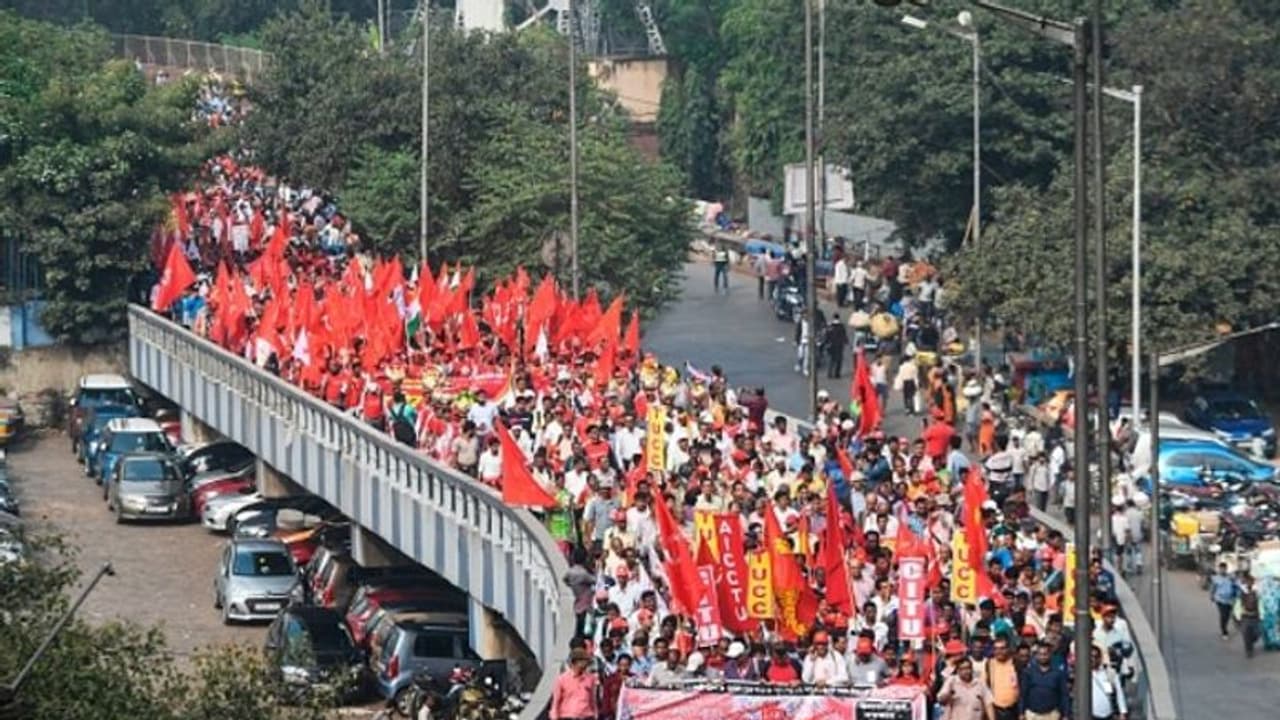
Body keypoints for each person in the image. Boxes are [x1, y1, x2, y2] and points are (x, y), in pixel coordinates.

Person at [1019, 642, 1069, 720]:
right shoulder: (1028, 672)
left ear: (1050, 655)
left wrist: (1066, 715)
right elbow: (1023, 694)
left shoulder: (1058, 673)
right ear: (1036, 656)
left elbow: (1064, 695)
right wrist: (1021, 713)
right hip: (1032, 715)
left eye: (1045, 654)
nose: (1043, 657)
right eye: (1040, 654)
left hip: (1052, 715)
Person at [550, 648, 599, 720]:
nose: (586, 663)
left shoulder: (591, 678)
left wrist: (595, 714)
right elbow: (556, 701)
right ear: (574, 662)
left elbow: (592, 699)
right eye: (583, 660)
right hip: (567, 716)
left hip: (587, 716)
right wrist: (554, 717)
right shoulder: (562, 679)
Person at [1087, 644, 1127, 720]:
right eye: (1091, 656)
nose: (1093, 659)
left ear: (1100, 658)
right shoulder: (1084, 674)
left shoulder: (1109, 672)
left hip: (1108, 714)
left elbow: (1119, 692)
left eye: (1096, 657)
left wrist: (1123, 712)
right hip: (1092, 715)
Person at [1208, 562, 1239, 639]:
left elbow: (1236, 585)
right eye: (1221, 569)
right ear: (1219, 569)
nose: (1222, 570)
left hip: (1229, 600)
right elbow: (1213, 588)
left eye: (1224, 569)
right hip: (1220, 600)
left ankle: (1225, 626)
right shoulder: (1215, 578)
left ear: (1226, 569)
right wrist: (1211, 596)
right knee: (1223, 615)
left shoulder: (1230, 577)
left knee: (1227, 616)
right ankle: (1224, 632)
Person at [1239, 572, 1262, 658]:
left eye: (1251, 581)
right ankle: (1249, 650)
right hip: (1245, 616)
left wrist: (1260, 614)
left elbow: (1261, 603)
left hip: (1255, 616)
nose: (1249, 583)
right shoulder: (1242, 591)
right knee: (1246, 634)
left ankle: (1251, 642)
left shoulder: (1257, 591)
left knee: (1257, 634)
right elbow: (1239, 604)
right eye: (1247, 581)